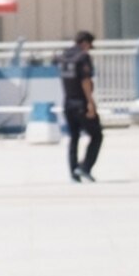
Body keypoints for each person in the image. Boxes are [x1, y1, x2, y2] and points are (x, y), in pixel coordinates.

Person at [60, 31, 102, 182]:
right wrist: (90, 102)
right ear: (84, 42)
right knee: (97, 135)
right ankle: (85, 167)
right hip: (81, 103)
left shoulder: (65, 56)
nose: (89, 49)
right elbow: (85, 80)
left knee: (74, 137)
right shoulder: (83, 57)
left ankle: (73, 172)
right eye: (89, 45)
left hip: (68, 102)